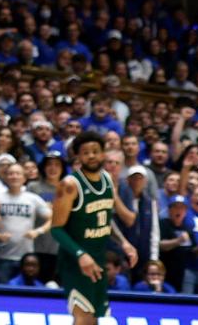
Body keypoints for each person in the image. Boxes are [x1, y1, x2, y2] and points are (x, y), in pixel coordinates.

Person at [50, 130, 137, 325]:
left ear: (103, 153)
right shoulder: (70, 184)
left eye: (95, 151)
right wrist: (81, 254)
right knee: (82, 318)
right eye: (86, 152)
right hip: (74, 261)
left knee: (94, 319)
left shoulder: (107, 179)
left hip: (98, 259)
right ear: (78, 157)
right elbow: (56, 229)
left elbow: (105, 219)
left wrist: (124, 243)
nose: (91, 156)